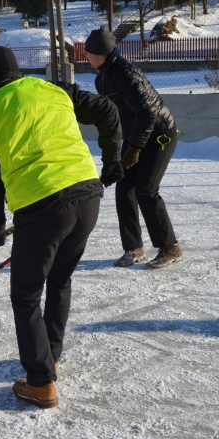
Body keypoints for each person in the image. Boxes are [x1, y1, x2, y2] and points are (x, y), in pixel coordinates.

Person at [0, 46, 123, 409]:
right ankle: (49, 356)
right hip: (87, 196)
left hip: (43, 208)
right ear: (19, 73)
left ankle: (40, 383)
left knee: (25, 295)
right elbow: (108, 110)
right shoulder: (54, 89)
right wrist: (111, 159)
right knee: (60, 280)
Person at [84, 25, 183, 269]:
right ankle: (134, 248)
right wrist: (117, 152)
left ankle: (170, 247)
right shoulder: (102, 77)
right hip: (136, 136)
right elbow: (113, 117)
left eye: (88, 52)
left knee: (146, 190)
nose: (85, 56)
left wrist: (134, 150)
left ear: (100, 54)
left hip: (160, 136)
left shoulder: (126, 75)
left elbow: (147, 114)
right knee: (124, 189)